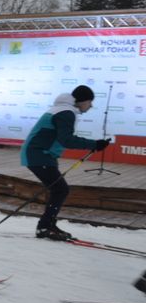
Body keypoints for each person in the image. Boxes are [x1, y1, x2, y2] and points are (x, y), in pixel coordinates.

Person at [20, 85, 109, 241]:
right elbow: (66, 140)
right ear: (84, 101)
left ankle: (47, 225)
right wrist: (94, 144)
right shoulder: (66, 113)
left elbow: (61, 138)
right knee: (60, 189)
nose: (91, 106)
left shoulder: (63, 110)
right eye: (90, 102)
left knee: (59, 189)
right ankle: (45, 226)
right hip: (38, 155)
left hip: (42, 155)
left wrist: (94, 144)